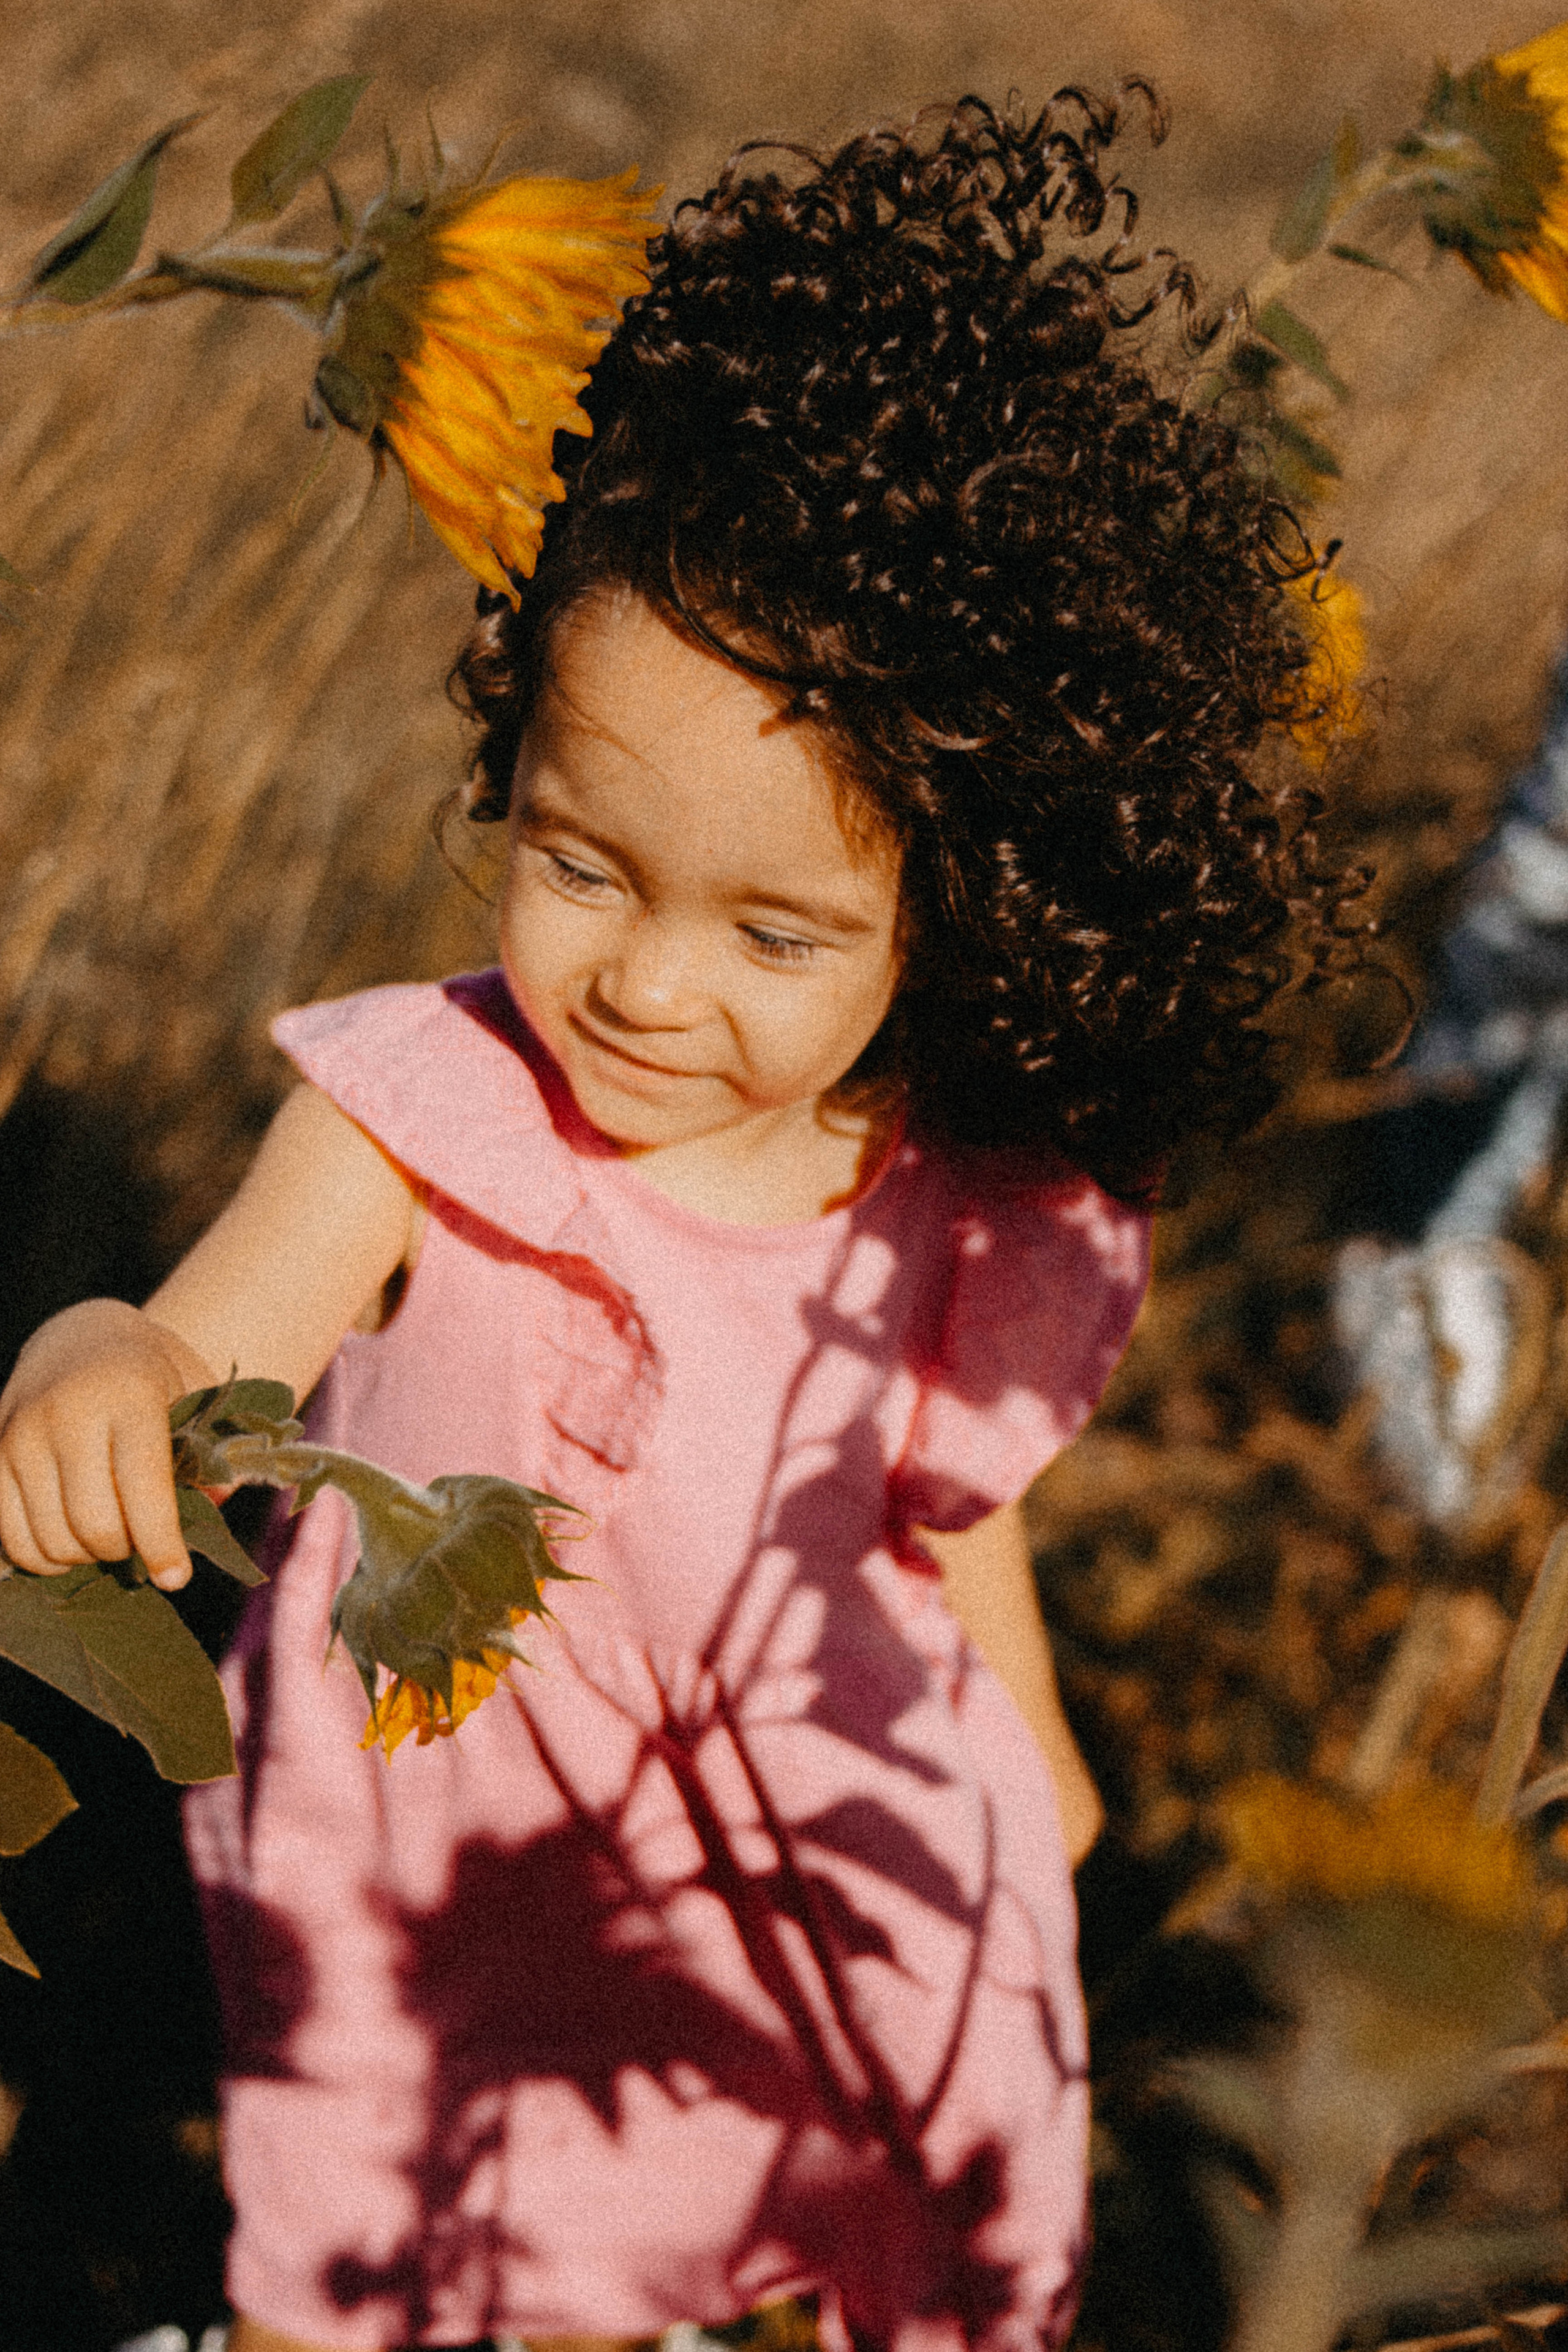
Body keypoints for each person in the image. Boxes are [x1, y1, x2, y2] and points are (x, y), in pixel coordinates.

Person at [0, 92, 1355, 2352]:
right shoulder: (432, 1110)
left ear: (955, 922)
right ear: (517, 757)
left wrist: (1036, 1763)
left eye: (776, 936)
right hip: (472, 1864)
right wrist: (93, 1366)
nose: (645, 983)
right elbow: (205, 1331)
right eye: (580, 863)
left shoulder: (940, 1182)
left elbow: (940, 1516)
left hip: (825, 1833)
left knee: (872, 2199)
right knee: (466, 2241)